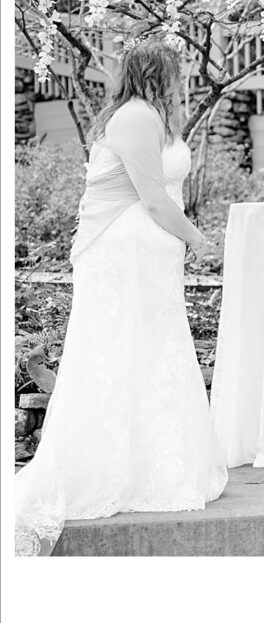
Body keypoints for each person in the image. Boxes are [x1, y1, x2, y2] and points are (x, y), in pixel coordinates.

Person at [14, 38, 228, 556]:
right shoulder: (136, 117)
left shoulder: (150, 114)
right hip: (127, 247)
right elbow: (153, 198)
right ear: (157, 74)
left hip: (148, 251)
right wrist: (197, 239)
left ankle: (154, 462)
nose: (180, 84)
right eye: (173, 74)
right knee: (120, 350)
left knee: (152, 353)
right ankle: (115, 469)